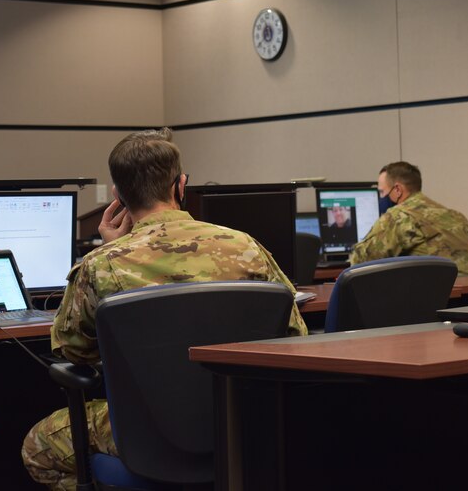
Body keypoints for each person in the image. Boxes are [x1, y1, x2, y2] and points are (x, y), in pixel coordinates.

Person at [21, 128, 307, 490]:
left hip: (148, 433)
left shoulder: (101, 264)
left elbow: (74, 352)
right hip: (242, 422)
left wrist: (114, 249)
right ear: (180, 186)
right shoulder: (244, 247)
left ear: (118, 196)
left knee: (37, 448)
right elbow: (295, 336)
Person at [349, 161, 468, 274]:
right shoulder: (457, 216)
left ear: (397, 189)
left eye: (382, 192)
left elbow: (360, 261)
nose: (380, 197)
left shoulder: (399, 216)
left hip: (429, 294)